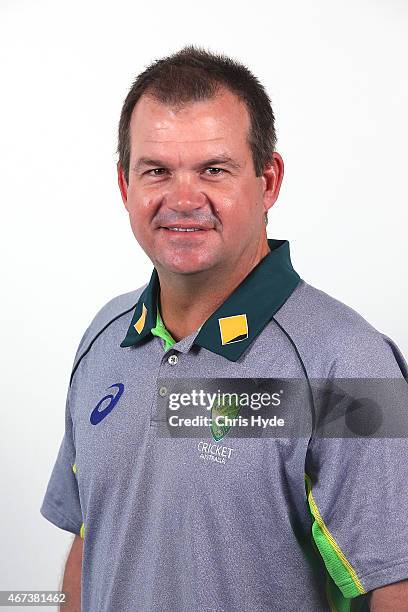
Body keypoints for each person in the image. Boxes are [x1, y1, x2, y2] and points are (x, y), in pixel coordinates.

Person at [40, 45, 408, 611]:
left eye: (214, 169)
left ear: (268, 181)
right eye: (156, 171)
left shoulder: (349, 363)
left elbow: (396, 587)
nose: (183, 199)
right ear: (124, 186)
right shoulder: (103, 338)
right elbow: (92, 540)